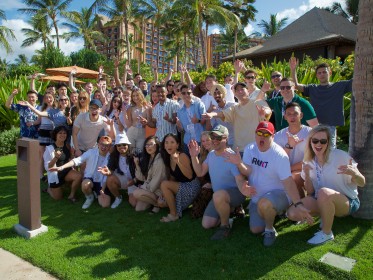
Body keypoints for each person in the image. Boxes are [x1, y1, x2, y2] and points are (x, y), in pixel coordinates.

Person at [226, 121, 313, 246]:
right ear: (255, 134)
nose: (262, 137)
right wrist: (239, 164)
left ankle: (270, 230)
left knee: (265, 203)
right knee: (255, 229)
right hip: (257, 197)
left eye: (266, 134)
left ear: (273, 137)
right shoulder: (250, 149)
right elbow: (248, 170)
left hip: (279, 194)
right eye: (259, 133)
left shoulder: (279, 155)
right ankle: (274, 213)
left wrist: (298, 203)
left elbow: (288, 182)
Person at [286, 125, 365, 245]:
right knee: (292, 213)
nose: (319, 144)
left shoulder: (340, 156)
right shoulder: (308, 161)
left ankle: (326, 233)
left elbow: (362, 182)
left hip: (347, 201)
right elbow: (311, 191)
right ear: (310, 142)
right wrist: (307, 175)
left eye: (323, 141)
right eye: (315, 140)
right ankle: (326, 214)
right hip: (321, 197)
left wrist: (354, 174)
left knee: (324, 192)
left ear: (328, 143)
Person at [189, 125, 248, 240]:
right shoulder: (211, 155)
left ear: (226, 139)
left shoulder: (231, 156)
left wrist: (246, 190)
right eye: (213, 136)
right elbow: (200, 172)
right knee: (207, 224)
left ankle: (225, 226)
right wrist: (194, 156)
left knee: (218, 195)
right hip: (219, 197)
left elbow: (240, 180)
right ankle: (229, 213)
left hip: (236, 194)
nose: (214, 140)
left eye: (218, 138)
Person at [290, 57, 352, 148]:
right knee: (313, 152)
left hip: (330, 127)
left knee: (330, 153)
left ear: (329, 73)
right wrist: (293, 69)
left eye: (324, 72)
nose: (322, 74)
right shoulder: (312, 88)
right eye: (319, 73)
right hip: (314, 126)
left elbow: (356, 81)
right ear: (317, 75)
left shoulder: (339, 86)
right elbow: (296, 85)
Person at [203, 82, 271, 154]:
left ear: (248, 91)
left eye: (242, 89)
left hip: (255, 148)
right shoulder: (234, 108)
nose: (240, 91)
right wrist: (212, 114)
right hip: (239, 150)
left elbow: (267, 111)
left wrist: (264, 113)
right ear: (234, 94)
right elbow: (222, 114)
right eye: (237, 90)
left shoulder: (257, 102)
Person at [49, 136, 113, 209]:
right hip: (90, 179)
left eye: (106, 145)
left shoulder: (111, 157)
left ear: (110, 147)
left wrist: (103, 190)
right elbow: (77, 161)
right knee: (85, 185)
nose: (103, 147)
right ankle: (89, 197)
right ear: (98, 144)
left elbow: (109, 175)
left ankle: (96, 192)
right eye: (102, 144)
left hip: (102, 182)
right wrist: (62, 167)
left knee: (105, 205)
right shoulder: (91, 152)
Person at [274, 102, 312, 197]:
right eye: (289, 114)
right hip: (286, 170)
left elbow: (311, 160)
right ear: (285, 117)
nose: (292, 117)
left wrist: (288, 170)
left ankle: (302, 205)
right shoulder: (278, 136)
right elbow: (276, 158)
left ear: (301, 115)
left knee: (293, 178)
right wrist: (289, 146)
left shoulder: (311, 134)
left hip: (307, 169)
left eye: (295, 113)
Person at [159, 133, 200, 222]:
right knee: (161, 203)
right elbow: (172, 178)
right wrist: (165, 192)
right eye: (166, 142)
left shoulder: (182, 156)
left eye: (172, 142)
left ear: (177, 145)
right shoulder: (168, 157)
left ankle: (173, 215)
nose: (169, 145)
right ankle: (174, 207)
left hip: (191, 186)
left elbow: (189, 176)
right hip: (181, 186)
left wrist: (178, 162)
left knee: (164, 184)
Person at [43, 126, 82, 202]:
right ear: (55, 135)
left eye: (64, 133)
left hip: (66, 171)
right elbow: (48, 167)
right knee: (58, 198)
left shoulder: (67, 145)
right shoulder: (49, 148)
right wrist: (56, 158)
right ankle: (49, 189)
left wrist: (72, 154)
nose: (63, 135)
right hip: (55, 174)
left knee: (79, 176)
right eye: (60, 133)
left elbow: (70, 159)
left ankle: (71, 195)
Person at [98, 134, 136, 209]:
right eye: (119, 145)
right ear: (116, 147)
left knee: (134, 203)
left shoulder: (135, 155)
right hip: (122, 179)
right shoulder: (114, 156)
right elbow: (110, 171)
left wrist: (134, 180)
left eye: (124, 144)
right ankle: (118, 197)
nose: (121, 147)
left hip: (134, 181)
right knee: (110, 179)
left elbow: (140, 173)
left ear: (128, 145)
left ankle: (132, 194)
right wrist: (107, 172)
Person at [132, 136, 167, 212]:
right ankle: (153, 202)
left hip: (159, 191)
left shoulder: (159, 161)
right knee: (138, 208)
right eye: (146, 145)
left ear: (157, 145)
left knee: (136, 193)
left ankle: (157, 204)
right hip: (151, 189)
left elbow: (155, 183)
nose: (148, 147)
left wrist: (142, 188)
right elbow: (142, 178)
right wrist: (137, 164)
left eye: (151, 144)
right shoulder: (149, 158)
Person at [176, 84, 206, 154]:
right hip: (188, 142)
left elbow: (205, 121)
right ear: (180, 94)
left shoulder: (199, 105)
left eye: (188, 93)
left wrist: (197, 121)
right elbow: (181, 130)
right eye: (183, 93)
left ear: (192, 94)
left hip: (200, 140)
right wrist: (179, 126)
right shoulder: (180, 112)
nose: (186, 95)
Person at [124, 88, 150, 153]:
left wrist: (145, 122)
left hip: (142, 132)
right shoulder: (130, 108)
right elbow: (129, 124)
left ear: (141, 95)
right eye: (133, 96)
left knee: (140, 152)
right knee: (130, 152)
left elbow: (150, 122)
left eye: (137, 95)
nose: (135, 97)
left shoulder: (147, 108)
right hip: (132, 131)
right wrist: (124, 113)